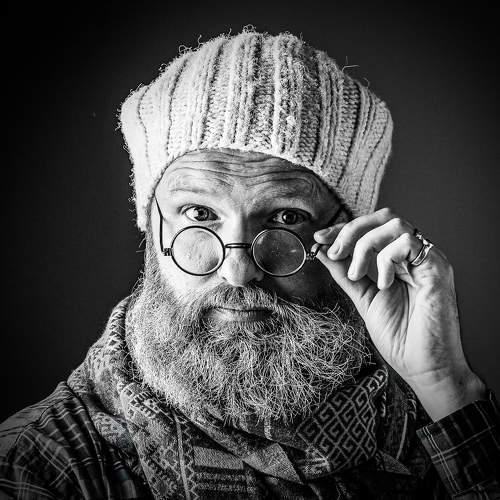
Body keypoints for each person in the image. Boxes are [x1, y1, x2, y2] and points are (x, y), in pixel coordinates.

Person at [1, 30, 498, 500]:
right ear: (151, 227)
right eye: (200, 214)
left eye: (286, 217)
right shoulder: (38, 468)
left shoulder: (438, 424)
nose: (238, 272)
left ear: (352, 232)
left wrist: (444, 382)